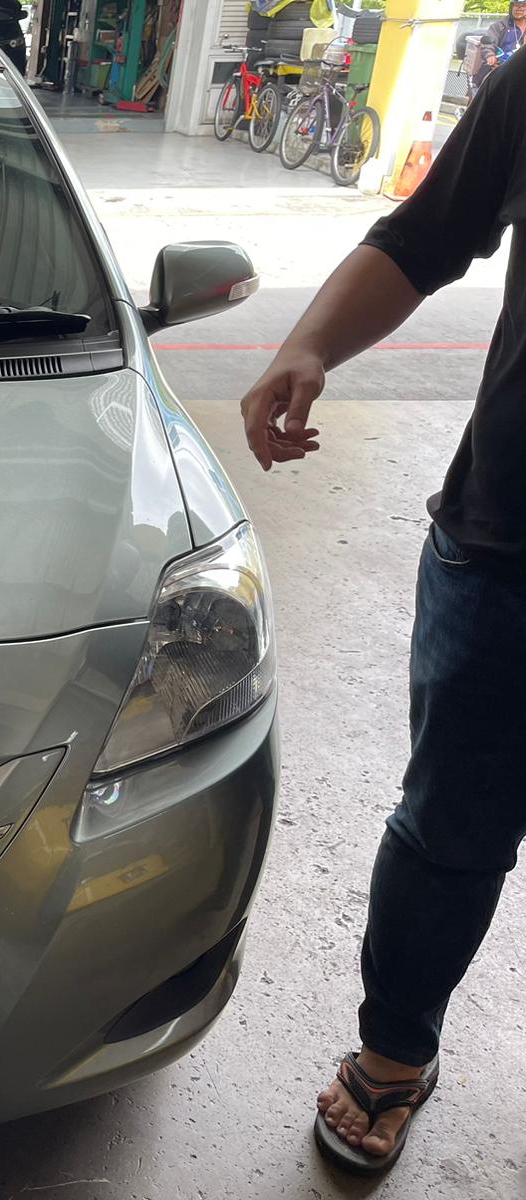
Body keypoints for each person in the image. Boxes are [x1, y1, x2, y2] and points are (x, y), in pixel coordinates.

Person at [238, 53, 526, 1176]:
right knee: (448, 830)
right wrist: (306, 345)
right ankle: (395, 1053)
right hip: (508, 547)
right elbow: (424, 235)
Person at [475, 0, 526, 92]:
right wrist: (490, 55)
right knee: (484, 88)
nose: (519, 8)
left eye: (523, 6)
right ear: (511, 7)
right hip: (499, 66)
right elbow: (488, 42)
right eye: (516, 5)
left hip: (520, 69)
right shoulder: (499, 26)